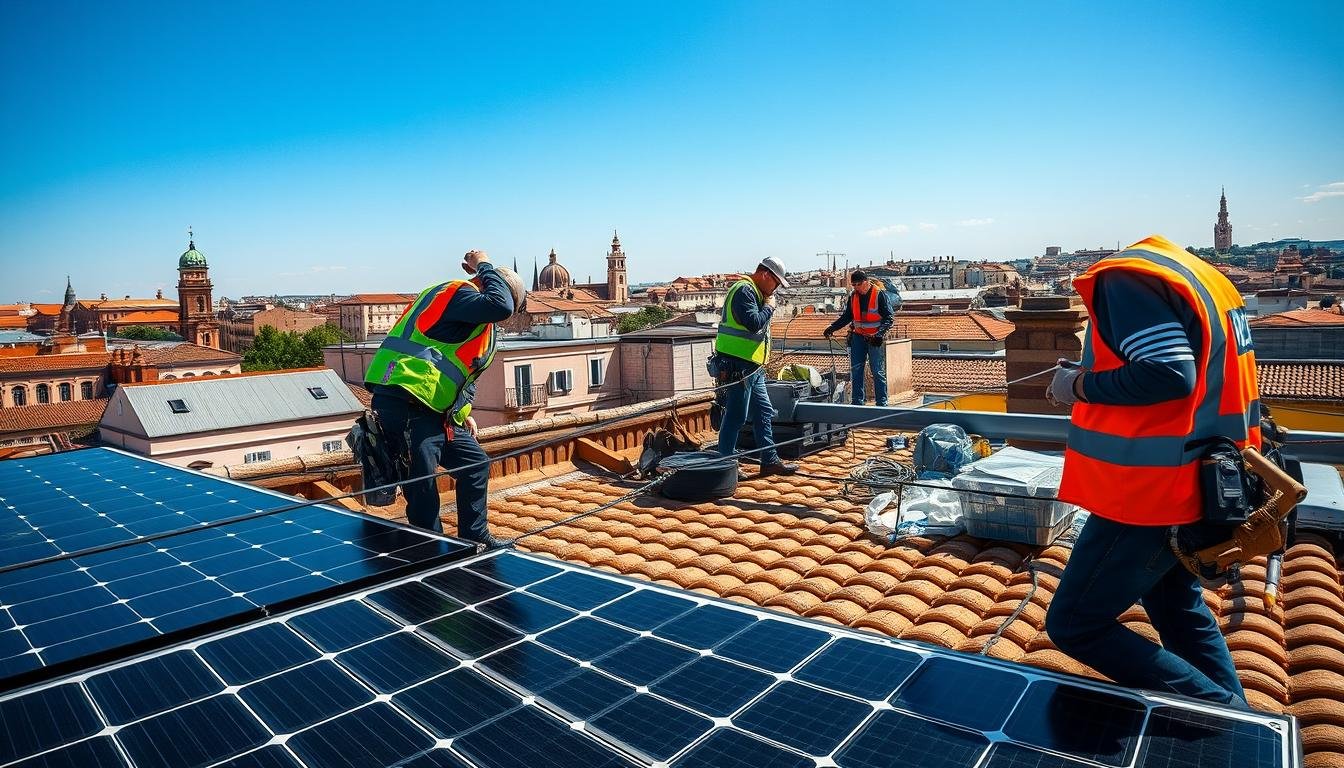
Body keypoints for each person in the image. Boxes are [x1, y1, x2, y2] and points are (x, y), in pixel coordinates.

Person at [1045, 234, 1260, 707]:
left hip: (1153, 492)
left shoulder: (1125, 279)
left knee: (1074, 624)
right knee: (1177, 609)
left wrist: (1076, 385)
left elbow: (1170, 372)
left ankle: (1225, 720)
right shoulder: (1208, 279)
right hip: (1210, 481)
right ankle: (1246, 736)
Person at [364, 250, 526, 550]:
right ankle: (432, 554)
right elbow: (500, 305)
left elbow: (460, 372)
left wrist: (461, 411)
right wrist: (484, 264)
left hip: (435, 411)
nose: (507, 317)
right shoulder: (460, 294)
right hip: (405, 399)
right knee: (423, 485)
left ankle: (474, 537)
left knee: (475, 464)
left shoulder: (476, 323)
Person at [714, 257, 799, 477]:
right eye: (776, 283)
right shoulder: (744, 290)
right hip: (737, 364)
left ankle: (769, 460)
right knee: (736, 416)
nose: (776, 289)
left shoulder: (754, 292)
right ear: (764, 275)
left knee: (763, 412)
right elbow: (753, 323)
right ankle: (725, 465)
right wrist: (769, 308)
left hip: (752, 366)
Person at [823, 270, 896, 406]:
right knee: (856, 371)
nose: (856, 287)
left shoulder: (879, 295)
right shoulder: (853, 296)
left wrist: (879, 334)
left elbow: (889, 318)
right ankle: (857, 403)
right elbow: (847, 317)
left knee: (877, 371)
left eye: (858, 284)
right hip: (858, 338)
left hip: (874, 339)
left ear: (866, 282)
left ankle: (882, 403)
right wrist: (832, 327)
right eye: (853, 284)